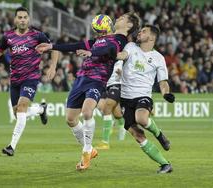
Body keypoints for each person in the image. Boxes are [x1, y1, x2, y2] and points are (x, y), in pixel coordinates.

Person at [37, 13, 140, 171]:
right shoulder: (100, 39)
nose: (118, 18)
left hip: (97, 80)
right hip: (81, 79)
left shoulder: (120, 40)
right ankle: (90, 148)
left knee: (87, 111)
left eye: (123, 18)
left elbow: (110, 50)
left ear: (129, 26)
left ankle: (85, 154)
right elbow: (77, 45)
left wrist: (92, 53)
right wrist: (52, 47)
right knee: (70, 119)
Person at [0, 7, 59, 156]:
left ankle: (11, 147)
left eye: (25, 17)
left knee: (21, 109)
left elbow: (55, 49)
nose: (22, 20)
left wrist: (53, 67)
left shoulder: (37, 35)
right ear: (15, 19)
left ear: (29, 19)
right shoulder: (8, 36)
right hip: (14, 79)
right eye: (20, 17)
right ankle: (41, 109)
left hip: (31, 78)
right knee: (18, 113)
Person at [118, 24, 175, 173]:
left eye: (144, 31)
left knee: (142, 119)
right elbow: (123, 55)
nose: (140, 33)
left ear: (151, 37)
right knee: (138, 135)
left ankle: (159, 134)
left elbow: (163, 81)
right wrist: (114, 54)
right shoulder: (131, 46)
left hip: (142, 96)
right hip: (124, 98)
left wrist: (165, 94)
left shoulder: (158, 58)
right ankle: (165, 164)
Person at [95, 59, 126, 150]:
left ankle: (105, 142)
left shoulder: (124, 57)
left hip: (117, 83)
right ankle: (122, 125)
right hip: (105, 84)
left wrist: (123, 74)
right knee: (115, 113)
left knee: (107, 107)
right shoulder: (105, 56)